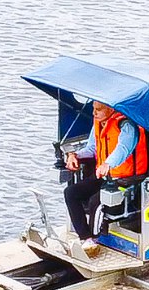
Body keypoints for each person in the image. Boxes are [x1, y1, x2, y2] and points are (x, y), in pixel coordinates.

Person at [61, 103, 143, 242]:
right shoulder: (98, 123)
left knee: (95, 202)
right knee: (71, 192)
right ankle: (85, 237)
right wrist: (75, 155)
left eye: (98, 110)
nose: (94, 113)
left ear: (111, 109)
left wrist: (108, 164)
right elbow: (92, 149)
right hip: (104, 176)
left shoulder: (127, 126)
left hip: (124, 180)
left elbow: (123, 149)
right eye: (93, 109)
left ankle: (94, 238)